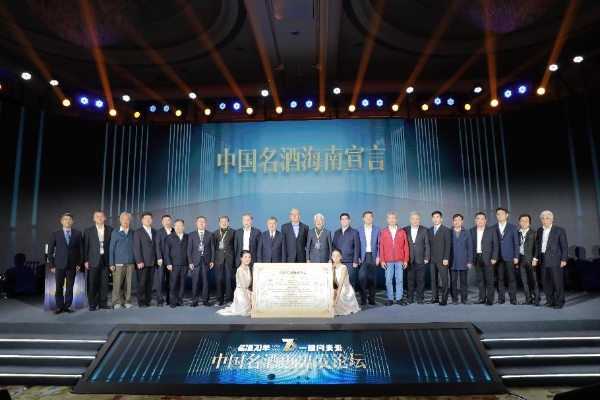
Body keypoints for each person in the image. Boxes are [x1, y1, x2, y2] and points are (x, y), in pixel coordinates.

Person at [48, 213, 83, 314]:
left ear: (72, 221)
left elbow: (81, 250)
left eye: (70, 219)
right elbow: (50, 249)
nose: (68, 221)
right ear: (61, 221)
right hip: (59, 264)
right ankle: (59, 306)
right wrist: (51, 264)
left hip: (72, 264)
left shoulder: (78, 233)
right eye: (65, 219)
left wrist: (79, 263)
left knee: (70, 286)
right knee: (59, 286)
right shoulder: (55, 233)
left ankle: (68, 306)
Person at [534, 210, 568, 309]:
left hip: (555, 259)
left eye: (547, 218)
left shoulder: (559, 230)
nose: (545, 220)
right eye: (543, 218)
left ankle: (559, 302)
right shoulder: (540, 230)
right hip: (543, 258)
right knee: (546, 282)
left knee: (557, 282)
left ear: (552, 219)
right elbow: (538, 245)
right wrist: (536, 258)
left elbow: (564, 246)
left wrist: (564, 259)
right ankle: (550, 300)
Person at [84, 210, 113, 311]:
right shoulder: (88, 231)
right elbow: (85, 246)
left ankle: (103, 303)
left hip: (105, 260)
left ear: (105, 218)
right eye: (97, 216)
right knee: (92, 283)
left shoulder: (110, 229)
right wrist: (86, 260)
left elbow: (112, 246)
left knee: (104, 283)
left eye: (101, 216)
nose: (100, 218)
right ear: (94, 219)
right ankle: (92, 304)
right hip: (93, 260)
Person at [379, 212, 409, 306]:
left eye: (393, 218)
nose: (391, 220)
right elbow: (381, 247)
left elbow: (406, 247)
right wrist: (382, 260)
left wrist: (406, 259)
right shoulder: (383, 232)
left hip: (400, 260)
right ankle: (390, 298)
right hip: (388, 260)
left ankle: (399, 298)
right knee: (388, 280)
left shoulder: (402, 232)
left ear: (397, 219)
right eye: (390, 218)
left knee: (399, 280)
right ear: (387, 220)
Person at [470, 212, 499, 306]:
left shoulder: (491, 230)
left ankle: (490, 300)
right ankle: (482, 298)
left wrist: (494, 257)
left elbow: (496, 245)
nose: (480, 220)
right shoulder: (472, 231)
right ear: (475, 220)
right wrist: (470, 260)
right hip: (477, 258)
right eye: (478, 218)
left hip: (489, 258)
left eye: (482, 219)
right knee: (480, 280)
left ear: (485, 220)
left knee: (489, 280)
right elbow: (470, 246)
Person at [493, 207, 520, 305]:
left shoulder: (513, 228)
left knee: (511, 279)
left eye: (502, 213)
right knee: (500, 279)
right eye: (498, 214)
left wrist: (516, 256)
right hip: (498, 257)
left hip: (510, 256)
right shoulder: (493, 228)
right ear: (496, 216)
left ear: (507, 215)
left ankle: (513, 299)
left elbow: (516, 244)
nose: (500, 215)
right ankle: (501, 298)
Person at [108, 212, 135, 309]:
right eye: (124, 219)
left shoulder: (133, 233)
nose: (126, 221)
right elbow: (111, 249)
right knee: (117, 284)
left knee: (128, 284)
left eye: (128, 219)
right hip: (118, 262)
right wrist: (111, 263)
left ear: (130, 221)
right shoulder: (115, 233)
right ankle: (116, 302)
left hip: (130, 262)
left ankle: (127, 301)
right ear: (120, 220)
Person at [403, 211, 430, 304]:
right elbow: (403, 245)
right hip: (409, 259)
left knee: (420, 279)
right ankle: (410, 298)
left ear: (419, 220)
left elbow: (427, 244)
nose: (415, 220)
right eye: (413, 219)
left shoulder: (424, 230)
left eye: (417, 219)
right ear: (410, 220)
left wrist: (427, 257)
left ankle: (420, 298)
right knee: (409, 279)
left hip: (421, 258)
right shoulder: (405, 230)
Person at [187, 216, 214, 307]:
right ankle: (194, 301)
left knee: (206, 282)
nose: (202, 223)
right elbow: (189, 249)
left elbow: (212, 248)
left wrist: (212, 260)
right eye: (200, 222)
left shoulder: (210, 234)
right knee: (195, 282)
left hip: (206, 261)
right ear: (196, 223)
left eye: (203, 222)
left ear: (206, 223)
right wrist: (190, 262)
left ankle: (205, 300)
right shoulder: (191, 234)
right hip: (195, 262)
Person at [216, 250, 253, 316]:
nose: (248, 259)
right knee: (248, 308)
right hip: (241, 293)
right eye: (245, 257)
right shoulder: (240, 270)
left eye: (249, 257)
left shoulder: (248, 268)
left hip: (247, 291)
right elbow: (243, 287)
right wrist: (248, 302)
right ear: (241, 258)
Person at [133, 212, 157, 308]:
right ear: (142, 220)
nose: (148, 220)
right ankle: (142, 302)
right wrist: (139, 261)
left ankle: (148, 300)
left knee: (150, 283)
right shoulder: (138, 232)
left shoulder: (155, 231)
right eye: (146, 218)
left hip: (152, 261)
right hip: (142, 262)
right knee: (142, 283)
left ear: (152, 220)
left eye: (149, 218)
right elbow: (136, 248)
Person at [332, 213, 361, 291]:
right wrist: (334, 260)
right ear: (340, 221)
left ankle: (351, 298)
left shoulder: (354, 232)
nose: (344, 221)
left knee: (350, 281)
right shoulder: (337, 232)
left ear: (349, 220)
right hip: (338, 262)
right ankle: (339, 297)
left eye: (346, 219)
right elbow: (334, 247)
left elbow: (357, 247)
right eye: (342, 219)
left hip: (349, 262)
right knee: (338, 280)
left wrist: (355, 261)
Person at [164, 219, 189, 308]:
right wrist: (168, 263)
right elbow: (166, 252)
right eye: (176, 225)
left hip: (184, 264)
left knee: (182, 284)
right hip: (173, 264)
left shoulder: (187, 237)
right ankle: (173, 302)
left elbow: (190, 250)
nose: (178, 227)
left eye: (180, 225)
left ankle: (180, 301)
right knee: (173, 283)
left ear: (183, 227)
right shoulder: (169, 237)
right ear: (174, 227)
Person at [449, 214, 473, 305]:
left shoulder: (467, 232)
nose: (457, 222)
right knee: (453, 282)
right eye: (455, 220)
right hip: (452, 261)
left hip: (464, 261)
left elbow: (470, 247)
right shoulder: (449, 231)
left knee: (464, 282)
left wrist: (470, 261)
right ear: (453, 221)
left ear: (462, 221)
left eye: (459, 220)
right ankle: (454, 299)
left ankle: (464, 299)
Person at [357, 211, 380, 306]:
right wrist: (357, 257)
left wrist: (378, 257)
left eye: (370, 217)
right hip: (362, 257)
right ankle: (363, 299)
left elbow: (379, 245)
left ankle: (372, 299)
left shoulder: (377, 229)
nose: (368, 219)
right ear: (363, 218)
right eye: (366, 217)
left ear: (372, 218)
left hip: (372, 256)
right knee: (361, 278)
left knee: (372, 279)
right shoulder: (358, 230)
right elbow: (357, 245)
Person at [428, 211, 452, 304]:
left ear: (441, 219)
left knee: (444, 279)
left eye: (437, 217)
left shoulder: (446, 230)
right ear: (432, 219)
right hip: (432, 259)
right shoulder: (429, 230)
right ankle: (435, 298)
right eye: (434, 217)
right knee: (433, 280)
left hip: (442, 259)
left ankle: (444, 300)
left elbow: (448, 245)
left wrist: (446, 258)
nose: (435, 219)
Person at [518, 214, 540, 306]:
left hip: (531, 259)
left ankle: (537, 298)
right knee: (524, 280)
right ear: (519, 222)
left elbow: (537, 247)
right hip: (521, 259)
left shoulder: (534, 233)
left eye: (526, 221)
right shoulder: (517, 233)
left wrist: (535, 258)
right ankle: (528, 298)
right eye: (522, 221)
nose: (524, 223)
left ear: (529, 222)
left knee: (534, 280)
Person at [213, 215, 236, 306]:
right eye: (222, 221)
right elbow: (213, 247)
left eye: (225, 221)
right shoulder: (215, 233)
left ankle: (229, 299)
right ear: (219, 223)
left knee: (230, 279)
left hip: (230, 258)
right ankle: (219, 300)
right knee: (219, 279)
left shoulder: (233, 232)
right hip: (219, 259)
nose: (223, 223)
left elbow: (235, 246)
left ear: (228, 222)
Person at [332, 249, 361, 316]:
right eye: (334, 256)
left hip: (344, 289)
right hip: (337, 288)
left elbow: (341, 284)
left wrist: (336, 300)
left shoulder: (344, 268)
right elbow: (333, 282)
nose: (335, 258)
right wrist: (333, 270)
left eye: (337, 256)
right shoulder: (332, 266)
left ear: (341, 257)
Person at [155, 214, 173, 306]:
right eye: (165, 220)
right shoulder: (159, 232)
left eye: (168, 220)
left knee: (171, 281)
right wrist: (159, 258)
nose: (167, 222)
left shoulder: (174, 231)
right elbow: (157, 245)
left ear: (171, 221)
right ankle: (160, 300)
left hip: (172, 261)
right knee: (160, 281)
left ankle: (170, 299)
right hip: (161, 261)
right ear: (162, 222)